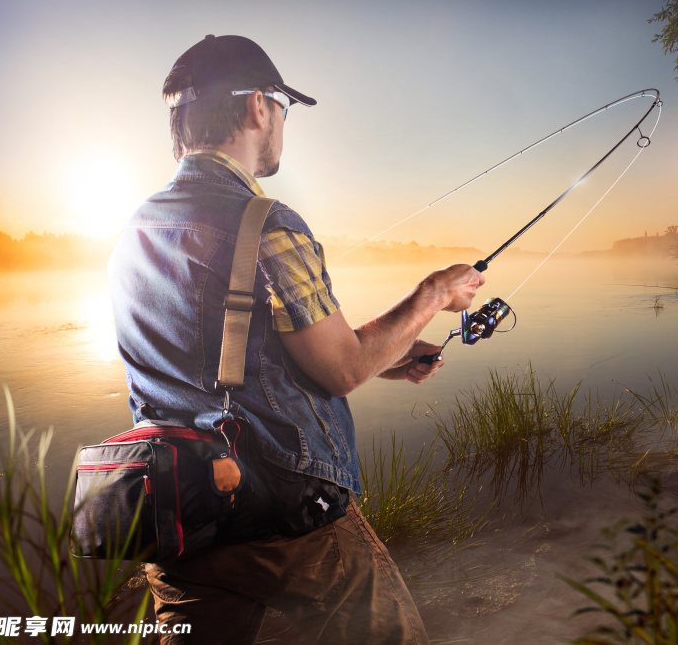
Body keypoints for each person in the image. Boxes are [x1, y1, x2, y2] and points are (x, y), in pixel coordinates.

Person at [107, 34, 484, 644]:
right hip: (283, 519)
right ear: (258, 105)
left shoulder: (136, 230)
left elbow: (225, 359)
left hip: (176, 516)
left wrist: (388, 358)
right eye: (284, 105)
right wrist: (435, 293)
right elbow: (340, 369)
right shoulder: (267, 221)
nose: (284, 120)